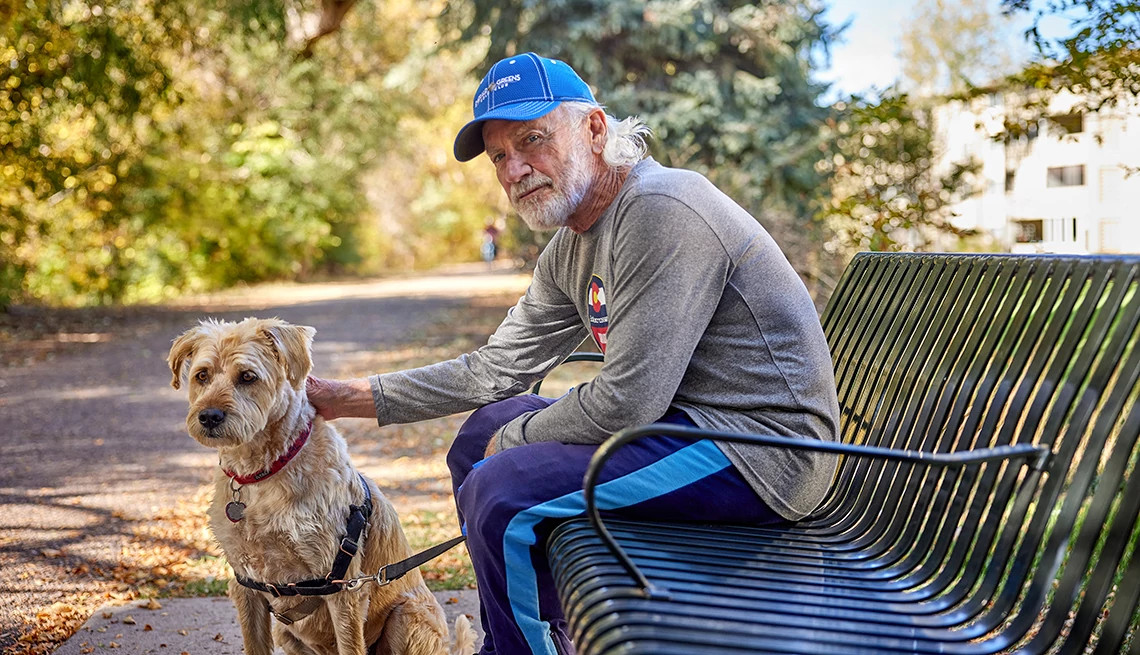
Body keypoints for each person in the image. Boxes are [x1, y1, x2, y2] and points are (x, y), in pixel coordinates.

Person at [307, 52, 841, 655]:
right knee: (477, 435)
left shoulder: (661, 207)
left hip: (764, 451)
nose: (516, 170)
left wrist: (517, 439)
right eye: (500, 157)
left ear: (593, 129)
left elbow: (627, 402)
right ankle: (543, 635)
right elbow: (497, 369)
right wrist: (345, 398)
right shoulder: (572, 245)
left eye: (532, 140)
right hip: (687, 429)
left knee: (501, 488)